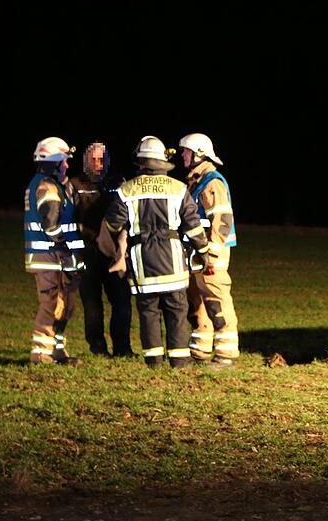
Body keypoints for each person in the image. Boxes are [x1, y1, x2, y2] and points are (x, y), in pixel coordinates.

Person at [103, 136, 211, 368]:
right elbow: (193, 226)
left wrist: (122, 240)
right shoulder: (178, 188)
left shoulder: (126, 190)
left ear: (141, 162)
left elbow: (112, 224)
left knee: (148, 312)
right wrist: (203, 251)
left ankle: (154, 361)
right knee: (177, 311)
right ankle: (180, 361)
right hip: (172, 260)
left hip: (143, 262)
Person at [178, 132, 240, 365]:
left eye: (186, 151)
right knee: (199, 302)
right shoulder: (195, 181)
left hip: (211, 254)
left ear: (198, 154)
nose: (182, 155)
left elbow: (222, 220)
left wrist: (211, 253)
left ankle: (225, 354)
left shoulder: (211, 182)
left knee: (216, 299)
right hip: (198, 254)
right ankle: (200, 352)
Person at [69, 142, 133, 357]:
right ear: (86, 161)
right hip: (88, 253)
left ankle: (123, 349)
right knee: (92, 305)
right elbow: (71, 220)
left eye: (102, 159)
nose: (98, 164)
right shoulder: (75, 184)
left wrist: (121, 246)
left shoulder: (119, 182)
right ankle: (98, 349)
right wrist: (91, 237)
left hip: (116, 253)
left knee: (122, 302)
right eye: (93, 159)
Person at [23, 136, 85, 365]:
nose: (67, 165)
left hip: (56, 257)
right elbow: (51, 223)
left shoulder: (54, 185)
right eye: (64, 161)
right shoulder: (46, 186)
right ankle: (40, 353)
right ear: (53, 163)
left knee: (64, 305)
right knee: (50, 304)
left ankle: (57, 350)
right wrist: (64, 249)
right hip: (49, 257)